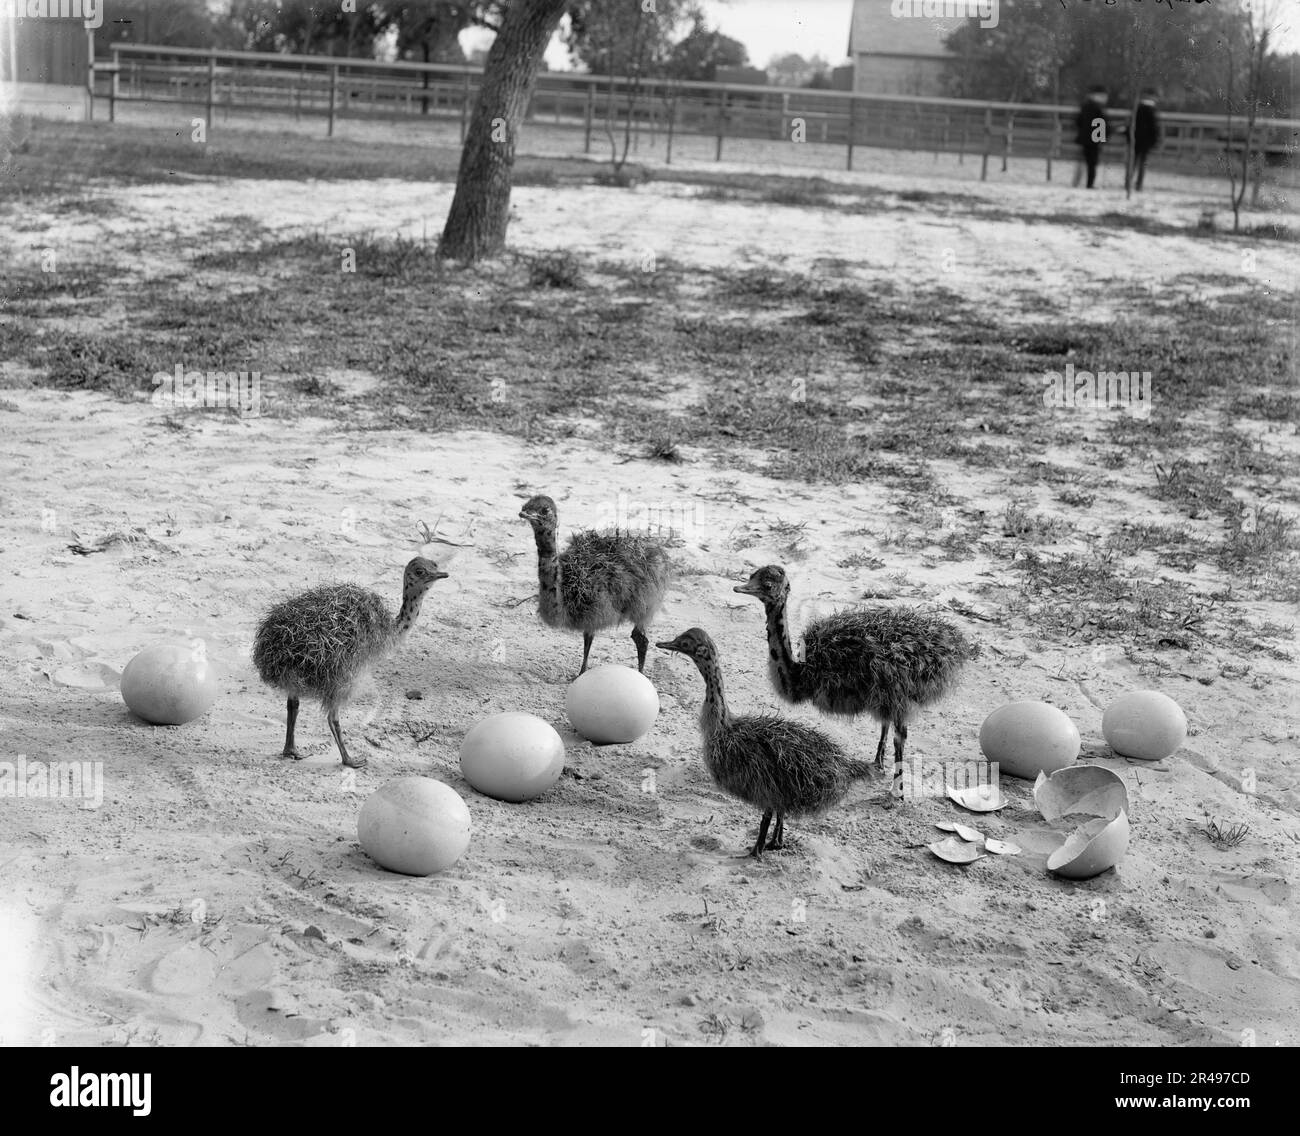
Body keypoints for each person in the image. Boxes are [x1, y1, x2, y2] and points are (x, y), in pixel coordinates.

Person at [1074, 86, 1109, 189]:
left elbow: (1079, 122)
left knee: (1083, 161)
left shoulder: (1085, 107)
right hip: (1094, 139)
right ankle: (1090, 183)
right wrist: (1102, 138)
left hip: (1085, 139)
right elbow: (1102, 124)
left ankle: (1077, 182)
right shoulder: (1098, 109)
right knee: (1092, 163)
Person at [1129, 90, 1161, 191]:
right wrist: (1155, 139)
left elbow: (1131, 124)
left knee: (1132, 162)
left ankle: (1128, 182)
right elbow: (1154, 127)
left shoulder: (1137, 109)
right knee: (1142, 163)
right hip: (1146, 141)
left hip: (1135, 139)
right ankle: (1139, 184)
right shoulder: (1152, 110)